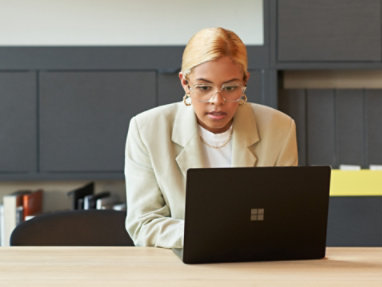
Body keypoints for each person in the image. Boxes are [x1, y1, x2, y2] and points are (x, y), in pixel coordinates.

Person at [124, 27, 298, 248]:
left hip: (254, 262)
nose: (217, 100)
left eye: (230, 87)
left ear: (245, 81)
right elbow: (143, 225)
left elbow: (286, 219)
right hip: (180, 266)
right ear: (185, 83)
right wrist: (213, 232)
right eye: (204, 87)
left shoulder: (279, 128)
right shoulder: (147, 129)